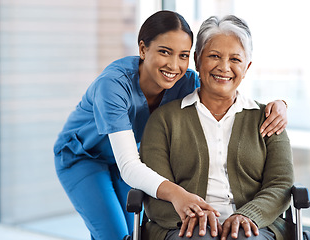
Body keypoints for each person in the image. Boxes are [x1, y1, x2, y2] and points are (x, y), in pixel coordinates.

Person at [53, 11, 288, 240]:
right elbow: (129, 167)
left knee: (131, 233)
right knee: (115, 234)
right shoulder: (113, 86)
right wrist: (178, 194)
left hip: (133, 157)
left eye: (183, 55)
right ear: (143, 49)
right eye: (165, 52)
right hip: (84, 157)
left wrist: (280, 105)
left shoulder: (185, 81)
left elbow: (223, 87)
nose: (174, 65)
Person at [139, 15, 294, 240]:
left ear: (247, 66)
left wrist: (248, 215)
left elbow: (281, 184)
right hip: (182, 227)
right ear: (197, 61)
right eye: (214, 56)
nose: (224, 67)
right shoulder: (164, 120)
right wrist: (195, 216)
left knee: (242, 236)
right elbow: (155, 187)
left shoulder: (269, 118)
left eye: (235, 59)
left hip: (255, 227)